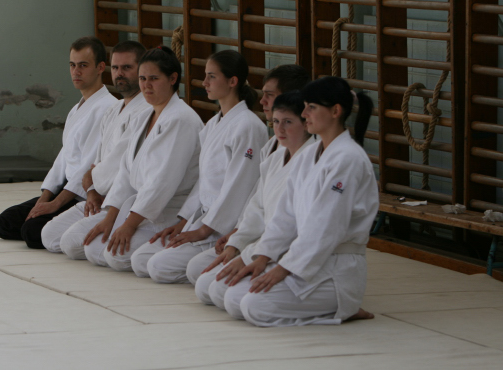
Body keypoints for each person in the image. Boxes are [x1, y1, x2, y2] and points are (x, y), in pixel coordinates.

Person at [223, 76, 378, 326]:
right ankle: (330, 305)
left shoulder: (348, 159)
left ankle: (343, 306)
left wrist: (283, 268)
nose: (305, 114)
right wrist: (263, 257)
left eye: (312, 107)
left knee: (254, 306)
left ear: (335, 111)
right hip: (304, 258)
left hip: (336, 268)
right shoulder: (309, 156)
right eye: (305, 107)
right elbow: (286, 216)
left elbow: (327, 226)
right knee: (230, 297)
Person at [61, 45, 203, 271]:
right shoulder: (145, 115)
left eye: (154, 79)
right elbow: (126, 172)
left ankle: (184, 252)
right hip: (138, 207)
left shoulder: (181, 119)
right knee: (86, 247)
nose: (146, 85)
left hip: (169, 211)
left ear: (173, 78)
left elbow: (161, 183)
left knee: (115, 257)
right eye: (142, 78)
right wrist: (110, 218)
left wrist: (129, 225)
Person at [131, 50, 268, 283]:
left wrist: (205, 230)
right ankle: (198, 258)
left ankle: (214, 256)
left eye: (211, 77)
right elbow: (203, 181)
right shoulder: (213, 124)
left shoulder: (248, 126)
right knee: (141, 260)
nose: (204, 82)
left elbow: (239, 186)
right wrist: (184, 222)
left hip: (225, 224)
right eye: (206, 76)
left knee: (160, 267)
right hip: (203, 217)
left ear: (232, 81)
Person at [185, 64, 310, 285]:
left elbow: (241, 188)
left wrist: (254, 251)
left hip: (288, 247)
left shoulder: (314, 157)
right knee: (198, 273)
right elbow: (256, 203)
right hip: (253, 235)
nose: (262, 102)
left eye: (269, 95)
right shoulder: (272, 147)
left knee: (212, 286)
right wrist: (237, 237)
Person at [0, 36, 117, 249]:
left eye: (83, 65)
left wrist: (56, 204)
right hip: (64, 189)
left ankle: (80, 225)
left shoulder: (107, 108)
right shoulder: (77, 108)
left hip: (83, 195)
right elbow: (63, 159)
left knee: (31, 231)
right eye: (72, 65)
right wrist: (45, 198)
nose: (76, 72)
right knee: (5, 223)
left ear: (100, 67)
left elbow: (88, 168)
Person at [41, 41, 151, 256]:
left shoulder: (145, 111)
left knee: (73, 244)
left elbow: (117, 165)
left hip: (123, 200)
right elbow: (96, 163)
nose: (119, 73)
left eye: (127, 67)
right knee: (49, 235)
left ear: (142, 70)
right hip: (97, 194)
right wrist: (91, 191)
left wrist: (91, 183)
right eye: (116, 68)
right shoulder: (114, 109)